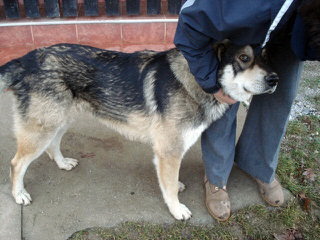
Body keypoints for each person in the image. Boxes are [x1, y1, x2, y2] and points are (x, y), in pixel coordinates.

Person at [174, 0, 320, 221]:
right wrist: (210, 82)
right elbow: (190, 26)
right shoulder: (247, 7)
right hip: (243, 19)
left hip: (293, 23)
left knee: (280, 96)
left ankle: (259, 166)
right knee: (224, 98)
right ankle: (216, 176)